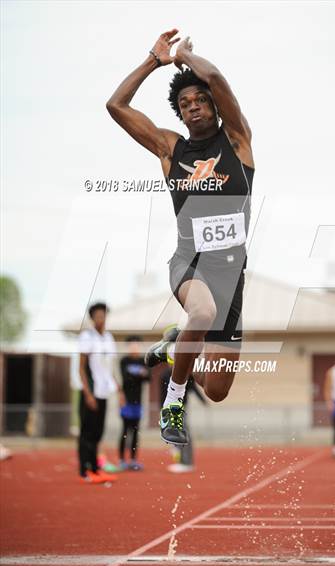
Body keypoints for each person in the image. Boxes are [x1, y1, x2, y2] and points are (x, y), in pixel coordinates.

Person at [107, 29, 254, 446]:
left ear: (214, 105)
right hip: (189, 265)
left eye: (200, 100)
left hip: (231, 278)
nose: (193, 108)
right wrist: (153, 61)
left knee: (216, 389)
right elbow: (116, 106)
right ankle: (173, 401)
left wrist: (186, 56)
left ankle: (178, 344)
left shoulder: (237, 144)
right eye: (185, 104)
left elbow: (221, 82)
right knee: (203, 314)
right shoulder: (172, 150)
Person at [78, 302, 122, 483]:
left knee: (98, 433)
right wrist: (88, 394)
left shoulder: (109, 338)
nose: (101, 318)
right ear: (92, 318)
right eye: (97, 315)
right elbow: (81, 368)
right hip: (91, 393)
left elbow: (109, 367)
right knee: (87, 433)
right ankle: (85, 470)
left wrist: (119, 390)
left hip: (104, 392)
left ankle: (96, 468)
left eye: (103, 315)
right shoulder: (87, 337)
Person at [160, 362, 208, 473]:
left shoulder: (186, 374)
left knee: (183, 432)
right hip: (169, 408)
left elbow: (193, 389)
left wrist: (203, 401)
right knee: (176, 434)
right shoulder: (165, 374)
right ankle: (182, 460)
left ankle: (187, 462)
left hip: (181, 408)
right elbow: (162, 394)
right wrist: (162, 410)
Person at [119, 335, 150, 470]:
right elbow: (126, 379)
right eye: (132, 345)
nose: (135, 347)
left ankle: (133, 460)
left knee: (136, 432)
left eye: (137, 345)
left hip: (138, 402)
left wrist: (139, 375)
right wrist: (139, 374)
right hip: (126, 402)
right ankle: (121, 460)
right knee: (125, 431)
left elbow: (148, 377)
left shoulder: (143, 361)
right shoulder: (124, 361)